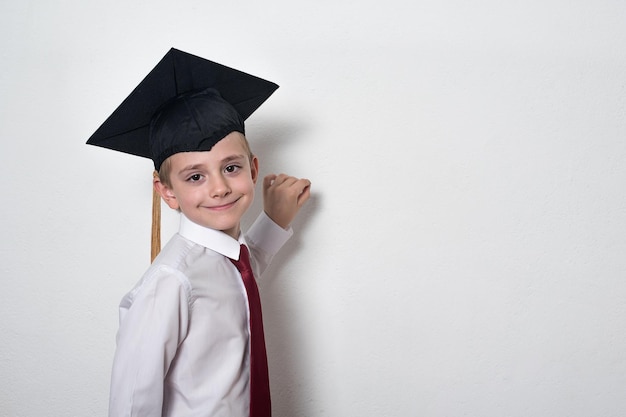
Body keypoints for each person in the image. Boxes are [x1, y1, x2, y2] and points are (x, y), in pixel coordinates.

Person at [87, 48, 311, 417]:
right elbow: (132, 403)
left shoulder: (231, 259)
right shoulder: (172, 281)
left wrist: (273, 219)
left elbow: (244, 271)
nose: (219, 188)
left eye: (232, 167)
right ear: (168, 192)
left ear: (254, 169)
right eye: (195, 176)